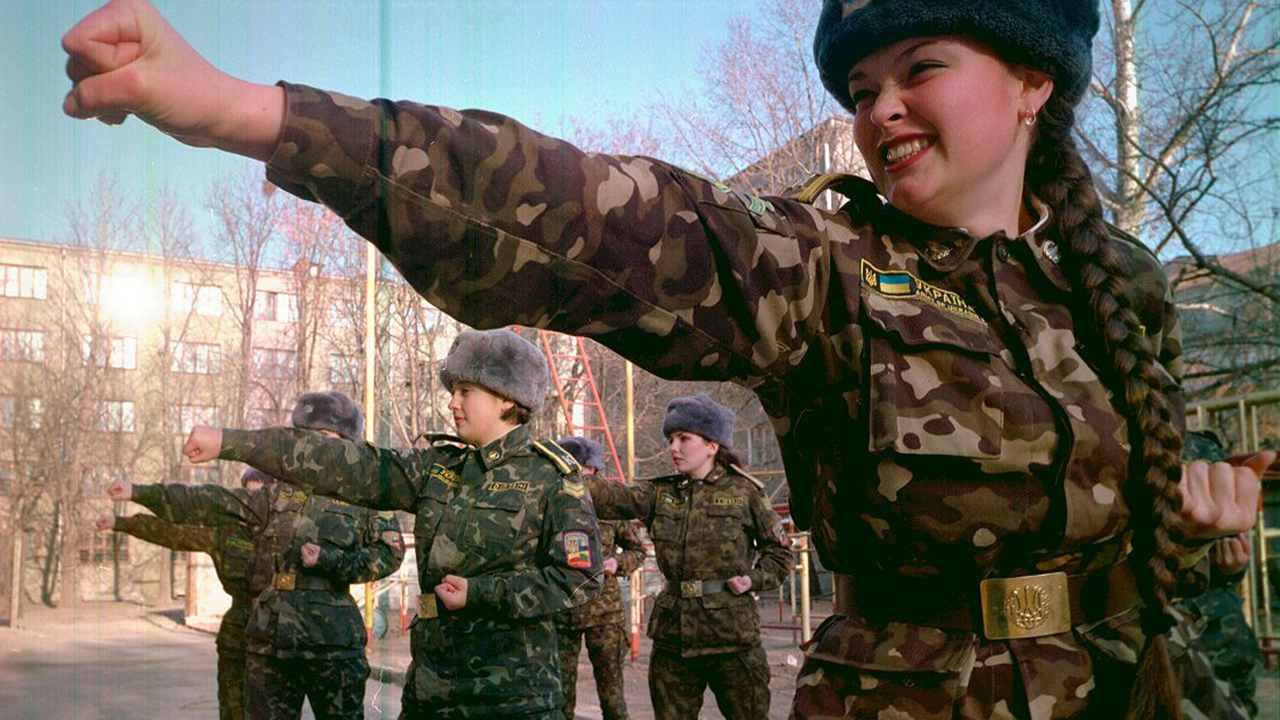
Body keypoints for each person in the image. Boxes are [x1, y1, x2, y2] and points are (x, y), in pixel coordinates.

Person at [62, 0, 1274, 716]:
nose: (881, 107)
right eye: (862, 85)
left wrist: (1197, 532)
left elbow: (1156, 527)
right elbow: (600, 220)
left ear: (1029, 84)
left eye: (920, 70)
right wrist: (247, 113)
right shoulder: (824, 266)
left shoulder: (1113, 290)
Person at [180, 329, 603, 719]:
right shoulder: (437, 468)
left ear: (507, 399)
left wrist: (481, 594)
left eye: (465, 391)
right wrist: (231, 443)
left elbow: (581, 579)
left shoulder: (553, 478)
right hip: (430, 695)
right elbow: (348, 464)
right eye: (452, 390)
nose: (452, 402)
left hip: (513, 702)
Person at [108, 391, 405, 720]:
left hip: (332, 645)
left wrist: (331, 561)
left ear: (347, 442)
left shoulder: (365, 498)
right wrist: (140, 492)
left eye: (322, 437)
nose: (311, 447)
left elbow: (390, 553)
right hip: (271, 644)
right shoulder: (275, 495)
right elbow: (212, 502)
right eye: (305, 437)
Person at [584, 395, 791, 720]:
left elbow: (779, 554)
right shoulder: (662, 493)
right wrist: (564, 475)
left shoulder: (744, 493)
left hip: (731, 636)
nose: (673, 448)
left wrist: (754, 578)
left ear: (712, 445)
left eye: (684, 439)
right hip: (674, 638)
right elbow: (613, 498)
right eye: (670, 439)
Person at [97, 467, 275, 720]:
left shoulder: (288, 531)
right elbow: (173, 533)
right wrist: (121, 523)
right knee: (233, 709)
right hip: (238, 630)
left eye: (258, 495)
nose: (250, 503)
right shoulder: (225, 531)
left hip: (278, 630)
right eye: (246, 495)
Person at [554, 436, 646, 720]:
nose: (584, 474)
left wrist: (616, 562)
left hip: (604, 611)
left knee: (612, 695)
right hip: (562, 609)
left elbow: (638, 550)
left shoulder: (610, 505)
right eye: (577, 467)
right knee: (560, 696)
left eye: (588, 468)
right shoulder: (553, 502)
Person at [1173, 430, 1263, 717]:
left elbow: (1230, 535)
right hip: (1163, 626)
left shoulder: (1201, 446)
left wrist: (1233, 571)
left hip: (1218, 627)